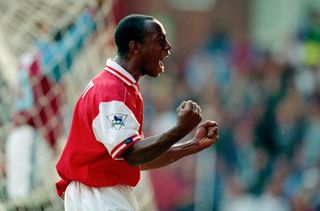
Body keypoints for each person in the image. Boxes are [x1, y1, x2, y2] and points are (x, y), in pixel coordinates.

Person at [56, 14, 219, 211]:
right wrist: (180, 129)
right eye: (160, 41)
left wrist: (192, 145)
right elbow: (133, 155)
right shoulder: (111, 91)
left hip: (102, 194)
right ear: (135, 47)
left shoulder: (122, 86)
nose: (168, 48)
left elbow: (136, 160)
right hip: (97, 196)